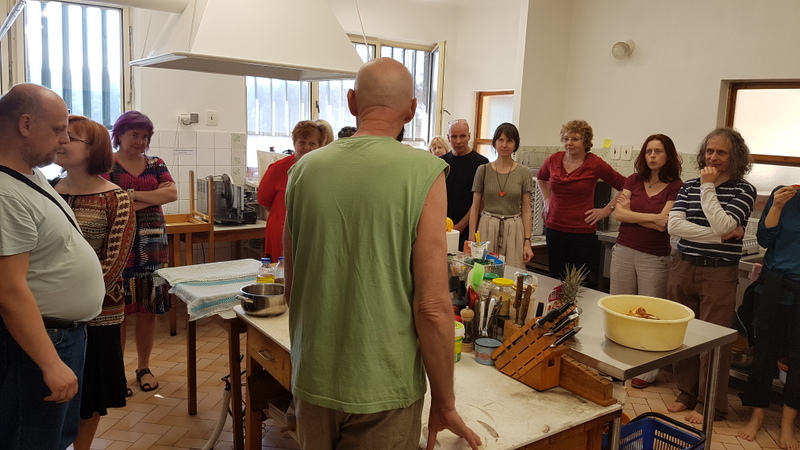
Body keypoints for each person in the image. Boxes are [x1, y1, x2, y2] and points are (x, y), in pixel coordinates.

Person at [283, 57, 481, 449]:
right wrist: (444, 402)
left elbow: (292, 289)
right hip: (385, 386)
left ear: (351, 101)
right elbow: (432, 307)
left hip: (313, 378)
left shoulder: (303, 171)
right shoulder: (424, 171)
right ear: (412, 109)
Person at [0, 83, 105, 449]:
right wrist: (50, 363)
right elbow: (9, 291)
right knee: (30, 440)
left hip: (62, 335)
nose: (64, 140)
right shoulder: (4, 191)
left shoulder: (30, 174)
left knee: (54, 438)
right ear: (25, 124)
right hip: (38, 344)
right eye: (58, 129)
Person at [52, 115, 136, 450]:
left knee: (89, 393)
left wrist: (72, 299)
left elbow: (114, 262)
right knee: (50, 389)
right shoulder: (48, 190)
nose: (61, 141)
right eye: (60, 133)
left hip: (97, 313)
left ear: (94, 150)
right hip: (46, 312)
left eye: (71, 137)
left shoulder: (116, 198)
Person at [666, 127, 756, 424]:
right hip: (683, 266)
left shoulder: (743, 190)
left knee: (714, 339)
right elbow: (674, 226)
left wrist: (708, 187)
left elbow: (723, 223)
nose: (713, 157)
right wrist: (719, 237)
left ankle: (711, 404)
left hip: (719, 271)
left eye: (721, 152)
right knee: (682, 334)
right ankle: (687, 392)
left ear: (735, 157)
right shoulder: (688, 186)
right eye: (709, 151)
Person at [103, 110, 177, 395]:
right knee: (117, 312)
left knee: (148, 309)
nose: (140, 141)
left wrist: (131, 196)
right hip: (117, 246)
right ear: (119, 134)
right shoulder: (106, 163)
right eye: (134, 135)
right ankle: (116, 373)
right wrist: (152, 197)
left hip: (152, 247)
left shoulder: (156, 163)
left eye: (145, 136)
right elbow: (107, 200)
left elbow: (171, 194)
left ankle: (144, 367)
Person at [610, 134, 682, 389]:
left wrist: (632, 214)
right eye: (649, 151)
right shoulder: (633, 180)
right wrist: (650, 217)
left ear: (668, 155)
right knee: (619, 309)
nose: (652, 156)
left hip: (654, 257)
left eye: (658, 151)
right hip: (623, 251)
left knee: (649, 314)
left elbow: (665, 224)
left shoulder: (675, 186)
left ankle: (648, 371)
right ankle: (617, 364)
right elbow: (619, 214)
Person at [737, 184, 800, 447]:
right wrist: (776, 206)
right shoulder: (784, 194)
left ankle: (788, 424)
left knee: (798, 359)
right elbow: (764, 239)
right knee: (763, 354)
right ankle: (757, 415)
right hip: (773, 287)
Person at [536, 120, 625, 282]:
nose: (569, 143)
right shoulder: (554, 160)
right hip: (554, 228)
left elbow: (625, 186)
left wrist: (607, 210)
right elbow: (541, 178)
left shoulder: (595, 163)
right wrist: (547, 199)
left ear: (586, 141)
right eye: (565, 139)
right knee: (554, 278)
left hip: (582, 232)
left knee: (578, 282)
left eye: (575, 139)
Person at [468, 123, 534, 269]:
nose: (504, 145)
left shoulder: (524, 172)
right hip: (487, 225)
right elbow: (475, 206)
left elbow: (526, 210)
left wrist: (527, 241)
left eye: (509, 141)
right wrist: (471, 236)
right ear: (495, 143)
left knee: (512, 271)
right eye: (501, 140)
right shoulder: (483, 170)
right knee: (483, 270)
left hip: (513, 227)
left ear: (515, 144)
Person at [257, 120, 325, 261]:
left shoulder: (323, 170)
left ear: (320, 145)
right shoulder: (277, 169)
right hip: (281, 230)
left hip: (311, 230)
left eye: (312, 143)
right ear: (294, 144)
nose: (306, 147)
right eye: (302, 142)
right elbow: (264, 200)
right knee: (280, 269)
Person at [443, 119, 489, 249]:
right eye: (454, 136)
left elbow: (480, 201)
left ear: (469, 136)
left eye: (462, 136)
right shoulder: (442, 163)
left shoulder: (481, 164)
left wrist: (461, 226)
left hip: (469, 229)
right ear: (448, 137)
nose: (458, 141)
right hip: (443, 226)